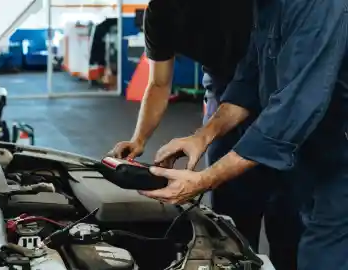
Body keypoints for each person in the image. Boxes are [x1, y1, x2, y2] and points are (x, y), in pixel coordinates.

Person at [140, 0, 348, 269]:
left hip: (337, 149)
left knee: (317, 253)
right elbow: (248, 82)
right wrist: (201, 137)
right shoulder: (265, 9)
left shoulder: (319, 6)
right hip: (310, 143)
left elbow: (290, 112)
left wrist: (205, 179)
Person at [109, 0, 302, 269]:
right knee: (231, 214)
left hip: (280, 81)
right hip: (225, 87)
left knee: (288, 211)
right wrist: (139, 139)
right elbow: (159, 82)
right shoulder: (161, 13)